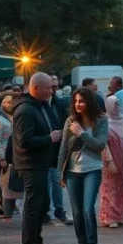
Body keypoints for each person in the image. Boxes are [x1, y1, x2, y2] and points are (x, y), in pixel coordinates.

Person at [13, 73, 63, 244]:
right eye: (48, 88)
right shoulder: (26, 110)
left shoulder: (40, 106)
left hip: (41, 163)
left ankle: (36, 240)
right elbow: (24, 141)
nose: (52, 91)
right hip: (31, 165)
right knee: (33, 207)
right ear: (36, 88)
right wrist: (49, 138)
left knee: (41, 205)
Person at [56, 88, 108, 244]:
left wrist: (82, 133)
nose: (78, 104)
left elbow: (100, 145)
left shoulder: (101, 120)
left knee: (88, 210)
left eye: (82, 101)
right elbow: (64, 147)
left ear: (89, 102)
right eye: (76, 101)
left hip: (92, 169)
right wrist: (59, 172)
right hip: (72, 171)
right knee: (76, 212)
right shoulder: (70, 120)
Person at [100, 95, 123, 227]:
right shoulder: (104, 122)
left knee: (121, 188)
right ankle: (109, 217)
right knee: (109, 188)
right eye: (114, 105)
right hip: (109, 159)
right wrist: (108, 160)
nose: (117, 107)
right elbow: (103, 143)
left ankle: (119, 215)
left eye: (118, 104)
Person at [47, 74, 72, 226]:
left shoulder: (60, 103)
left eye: (56, 86)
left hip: (57, 149)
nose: (54, 90)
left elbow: (66, 121)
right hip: (44, 149)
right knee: (46, 183)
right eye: (52, 86)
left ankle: (59, 210)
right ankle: (46, 212)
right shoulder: (39, 104)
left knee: (56, 181)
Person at [0, 96, 18, 222]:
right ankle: (6, 211)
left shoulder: (12, 119)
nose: (10, 104)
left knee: (11, 184)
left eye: (12, 101)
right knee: (5, 186)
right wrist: (2, 158)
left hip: (13, 156)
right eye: (8, 102)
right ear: (2, 104)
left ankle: (10, 209)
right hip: (5, 157)